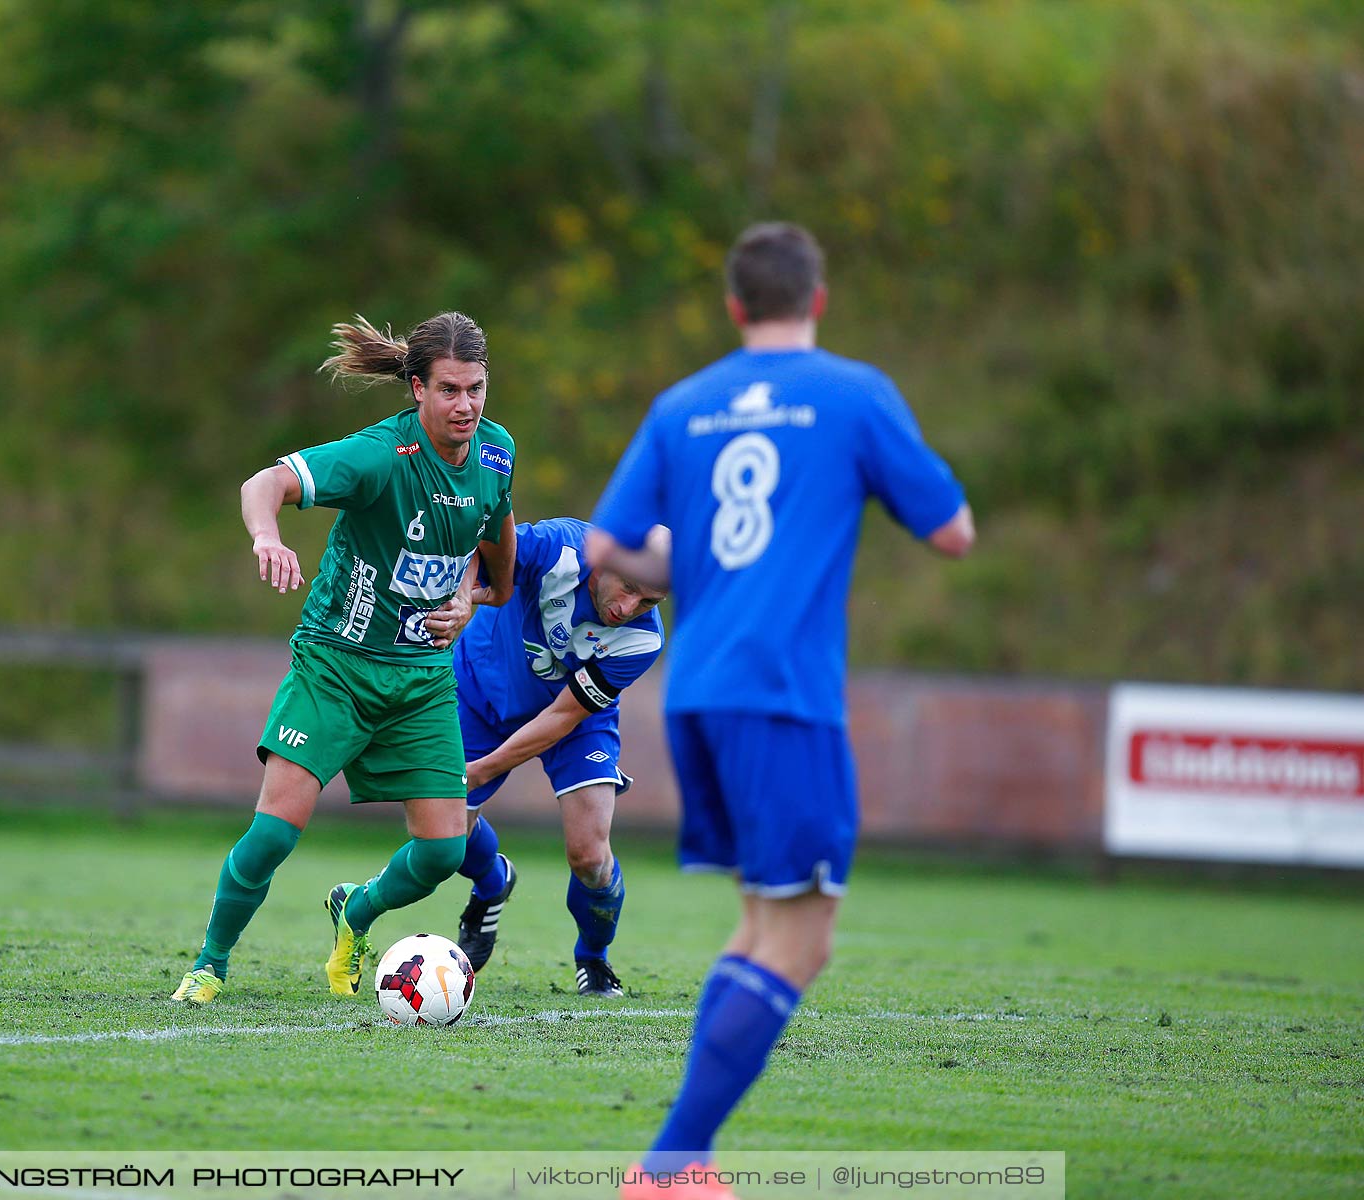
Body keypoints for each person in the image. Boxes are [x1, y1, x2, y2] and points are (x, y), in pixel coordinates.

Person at [589, 222, 974, 1199]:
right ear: (819, 300)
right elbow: (953, 532)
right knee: (804, 940)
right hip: (787, 698)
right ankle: (666, 1166)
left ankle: (689, 1166)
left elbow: (610, 549)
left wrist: (702, 567)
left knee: (764, 929)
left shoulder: (683, 405)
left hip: (700, 692)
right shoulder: (854, 395)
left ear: (733, 307)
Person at [171, 312, 518, 1005]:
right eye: (449, 390)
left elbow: (498, 543)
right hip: (337, 664)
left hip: (420, 679)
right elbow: (262, 484)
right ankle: (210, 964)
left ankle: (356, 911)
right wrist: (267, 537)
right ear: (416, 389)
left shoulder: (496, 453)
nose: (467, 405)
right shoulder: (376, 458)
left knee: (443, 854)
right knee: (273, 833)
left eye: (476, 388)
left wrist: (473, 597)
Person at [448, 516, 667, 996]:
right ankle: (492, 882)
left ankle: (593, 957)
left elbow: (564, 717)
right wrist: (465, 597)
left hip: (575, 720)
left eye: (648, 601)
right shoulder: (558, 548)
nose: (629, 608)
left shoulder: (642, 639)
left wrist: (481, 770)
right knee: (444, 843)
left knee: (590, 855)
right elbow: (481, 547)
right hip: (480, 691)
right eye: (628, 587)